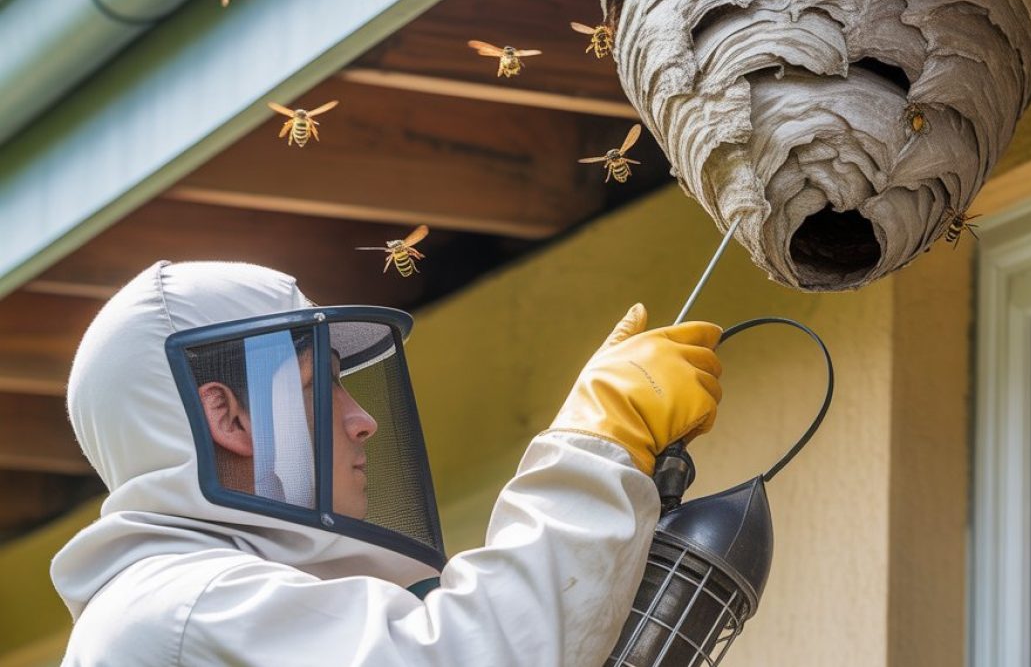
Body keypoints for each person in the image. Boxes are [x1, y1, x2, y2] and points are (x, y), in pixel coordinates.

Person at [52, 260, 723, 665]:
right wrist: (598, 443)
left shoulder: (180, 604)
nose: (362, 419)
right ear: (227, 418)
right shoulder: (187, 612)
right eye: (321, 387)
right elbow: (474, 656)